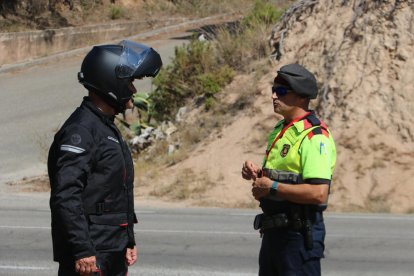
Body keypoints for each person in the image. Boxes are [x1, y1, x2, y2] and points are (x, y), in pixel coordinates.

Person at [48, 40, 162, 276]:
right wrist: (82, 249)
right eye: (130, 82)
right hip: (91, 254)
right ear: (111, 81)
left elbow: (114, 191)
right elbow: (66, 194)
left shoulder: (105, 127)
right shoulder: (81, 130)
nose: (133, 90)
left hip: (111, 248)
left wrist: (127, 239)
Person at [242, 63, 336, 276]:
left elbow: (319, 193)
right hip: (273, 234)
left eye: (282, 91)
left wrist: (272, 186)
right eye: (273, 90)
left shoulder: (314, 136)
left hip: (298, 236)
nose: (274, 96)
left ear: (301, 96)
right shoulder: (280, 129)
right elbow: (285, 178)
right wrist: (257, 175)